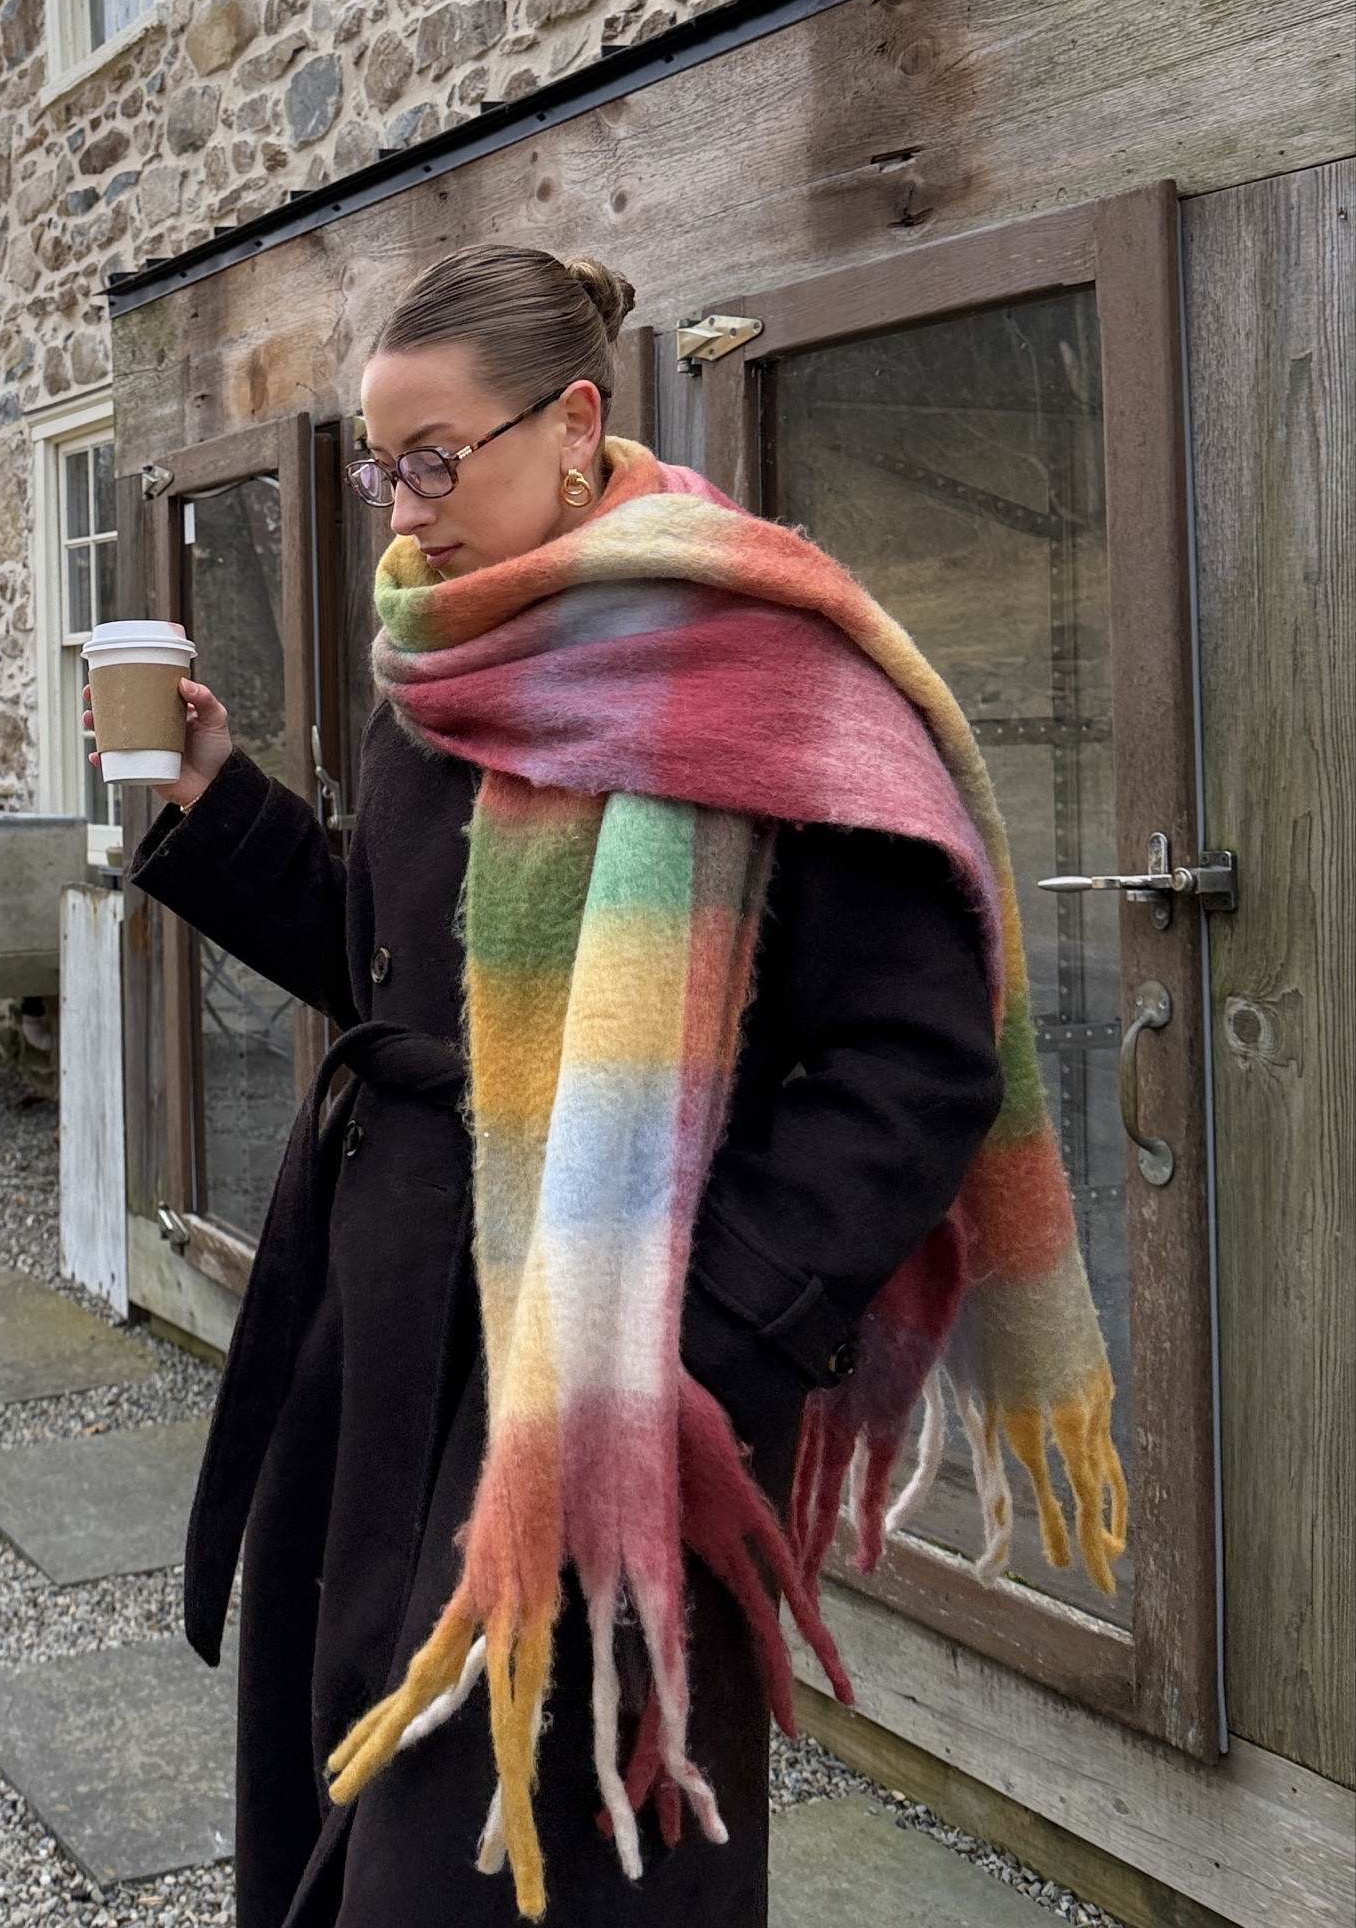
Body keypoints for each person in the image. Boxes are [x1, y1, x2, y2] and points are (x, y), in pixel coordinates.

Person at [99, 246, 1123, 1928]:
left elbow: (913, 1060)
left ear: (574, 423)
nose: (403, 511)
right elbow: (396, 972)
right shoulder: (443, 659)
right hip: (381, 1340)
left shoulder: (762, 670)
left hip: (607, 1369)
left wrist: (702, 1333)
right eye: (380, 468)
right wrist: (220, 802)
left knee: (532, 1844)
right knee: (348, 1772)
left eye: (439, 459)